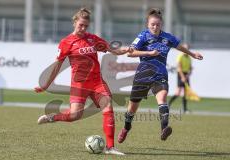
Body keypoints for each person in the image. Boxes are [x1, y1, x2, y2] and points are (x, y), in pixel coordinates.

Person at [34, 8, 129, 155]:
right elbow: (57, 67)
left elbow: (113, 50)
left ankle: (110, 147)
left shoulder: (93, 39)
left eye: (86, 26)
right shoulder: (66, 42)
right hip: (79, 84)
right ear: (74, 23)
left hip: (97, 81)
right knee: (74, 116)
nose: (83, 28)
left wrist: (127, 49)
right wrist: (45, 85)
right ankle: (53, 117)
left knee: (108, 106)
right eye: (80, 25)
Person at [117, 8, 203, 143]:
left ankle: (164, 129)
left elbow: (179, 46)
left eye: (157, 24)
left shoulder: (168, 37)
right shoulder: (143, 36)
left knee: (162, 97)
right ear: (148, 25)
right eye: (152, 24)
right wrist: (149, 54)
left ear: (161, 25)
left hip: (160, 74)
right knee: (132, 109)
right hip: (143, 74)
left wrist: (192, 54)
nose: (155, 27)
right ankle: (126, 128)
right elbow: (130, 53)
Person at [168, 43, 192, 113]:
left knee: (186, 93)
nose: (186, 50)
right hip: (180, 75)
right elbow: (179, 68)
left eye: (187, 48)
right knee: (178, 92)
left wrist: (187, 75)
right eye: (185, 48)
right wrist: (183, 77)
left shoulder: (189, 58)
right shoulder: (180, 56)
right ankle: (167, 105)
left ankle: (185, 109)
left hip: (186, 75)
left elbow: (190, 68)